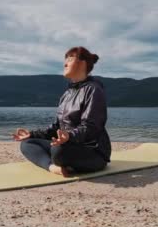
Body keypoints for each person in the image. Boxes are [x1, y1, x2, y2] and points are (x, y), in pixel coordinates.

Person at [12, 46, 111, 177]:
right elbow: (56, 127)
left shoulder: (94, 89)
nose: (65, 63)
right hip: (68, 145)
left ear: (82, 63)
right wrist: (31, 134)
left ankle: (56, 161)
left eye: (69, 59)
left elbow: (92, 127)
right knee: (27, 144)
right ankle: (52, 167)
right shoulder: (67, 94)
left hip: (93, 151)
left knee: (58, 151)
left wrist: (69, 136)